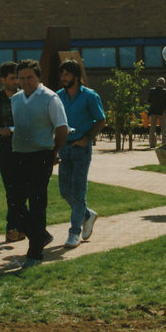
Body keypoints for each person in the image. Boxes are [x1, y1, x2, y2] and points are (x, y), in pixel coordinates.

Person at [11, 59, 68, 268]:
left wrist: (54, 151)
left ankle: (35, 253)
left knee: (37, 203)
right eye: (22, 78)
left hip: (41, 155)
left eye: (29, 78)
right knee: (15, 204)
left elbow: (62, 128)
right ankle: (40, 234)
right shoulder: (16, 99)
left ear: (38, 77)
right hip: (19, 155)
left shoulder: (50, 98)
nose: (25, 82)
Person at [56, 60, 107, 248]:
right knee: (64, 191)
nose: (63, 78)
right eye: (62, 75)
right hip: (64, 147)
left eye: (67, 74)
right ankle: (87, 215)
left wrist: (88, 137)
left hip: (81, 149)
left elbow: (101, 120)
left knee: (78, 191)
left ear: (77, 77)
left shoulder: (90, 96)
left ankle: (74, 232)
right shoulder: (58, 96)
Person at [0, 61, 27, 242]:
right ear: (2, 80)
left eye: (17, 78)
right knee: (11, 188)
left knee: (23, 188)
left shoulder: (25, 97)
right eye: (12, 78)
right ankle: (14, 226)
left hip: (24, 145)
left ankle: (18, 226)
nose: (16, 81)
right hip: (4, 146)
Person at [146, 77, 166, 149]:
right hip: (162, 111)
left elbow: (149, 100)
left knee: (152, 128)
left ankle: (152, 144)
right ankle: (165, 143)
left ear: (157, 83)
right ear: (164, 83)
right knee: (164, 128)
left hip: (153, 111)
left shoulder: (152, 90)